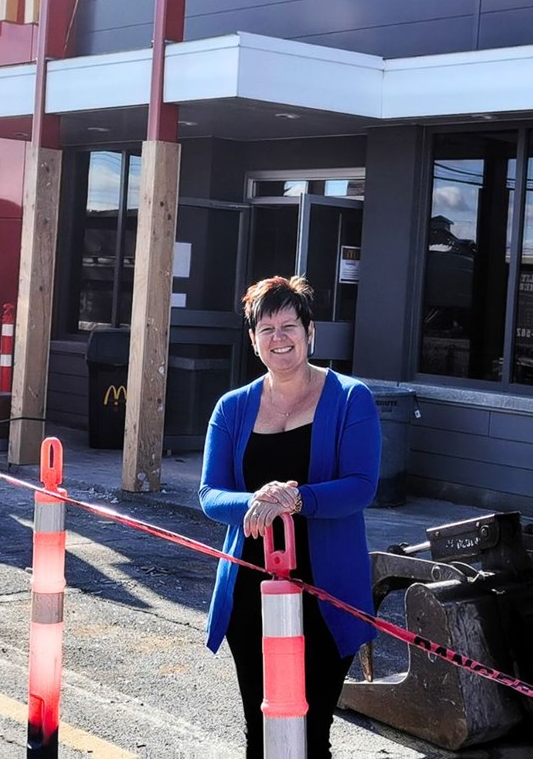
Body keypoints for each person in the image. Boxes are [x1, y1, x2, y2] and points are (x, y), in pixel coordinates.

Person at [199, 275, 380, 758]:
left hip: (327, 593)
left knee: (310, 734)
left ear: (309, 331)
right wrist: (256, 501)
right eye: (266, 328)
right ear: (253, 339)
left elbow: (361, 486)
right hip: (249, 592)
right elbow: (210, 495)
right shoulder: (231, 408)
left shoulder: (351, 398)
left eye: (289, 326)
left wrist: (294, 499)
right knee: (262, 733)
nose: (278, 337)